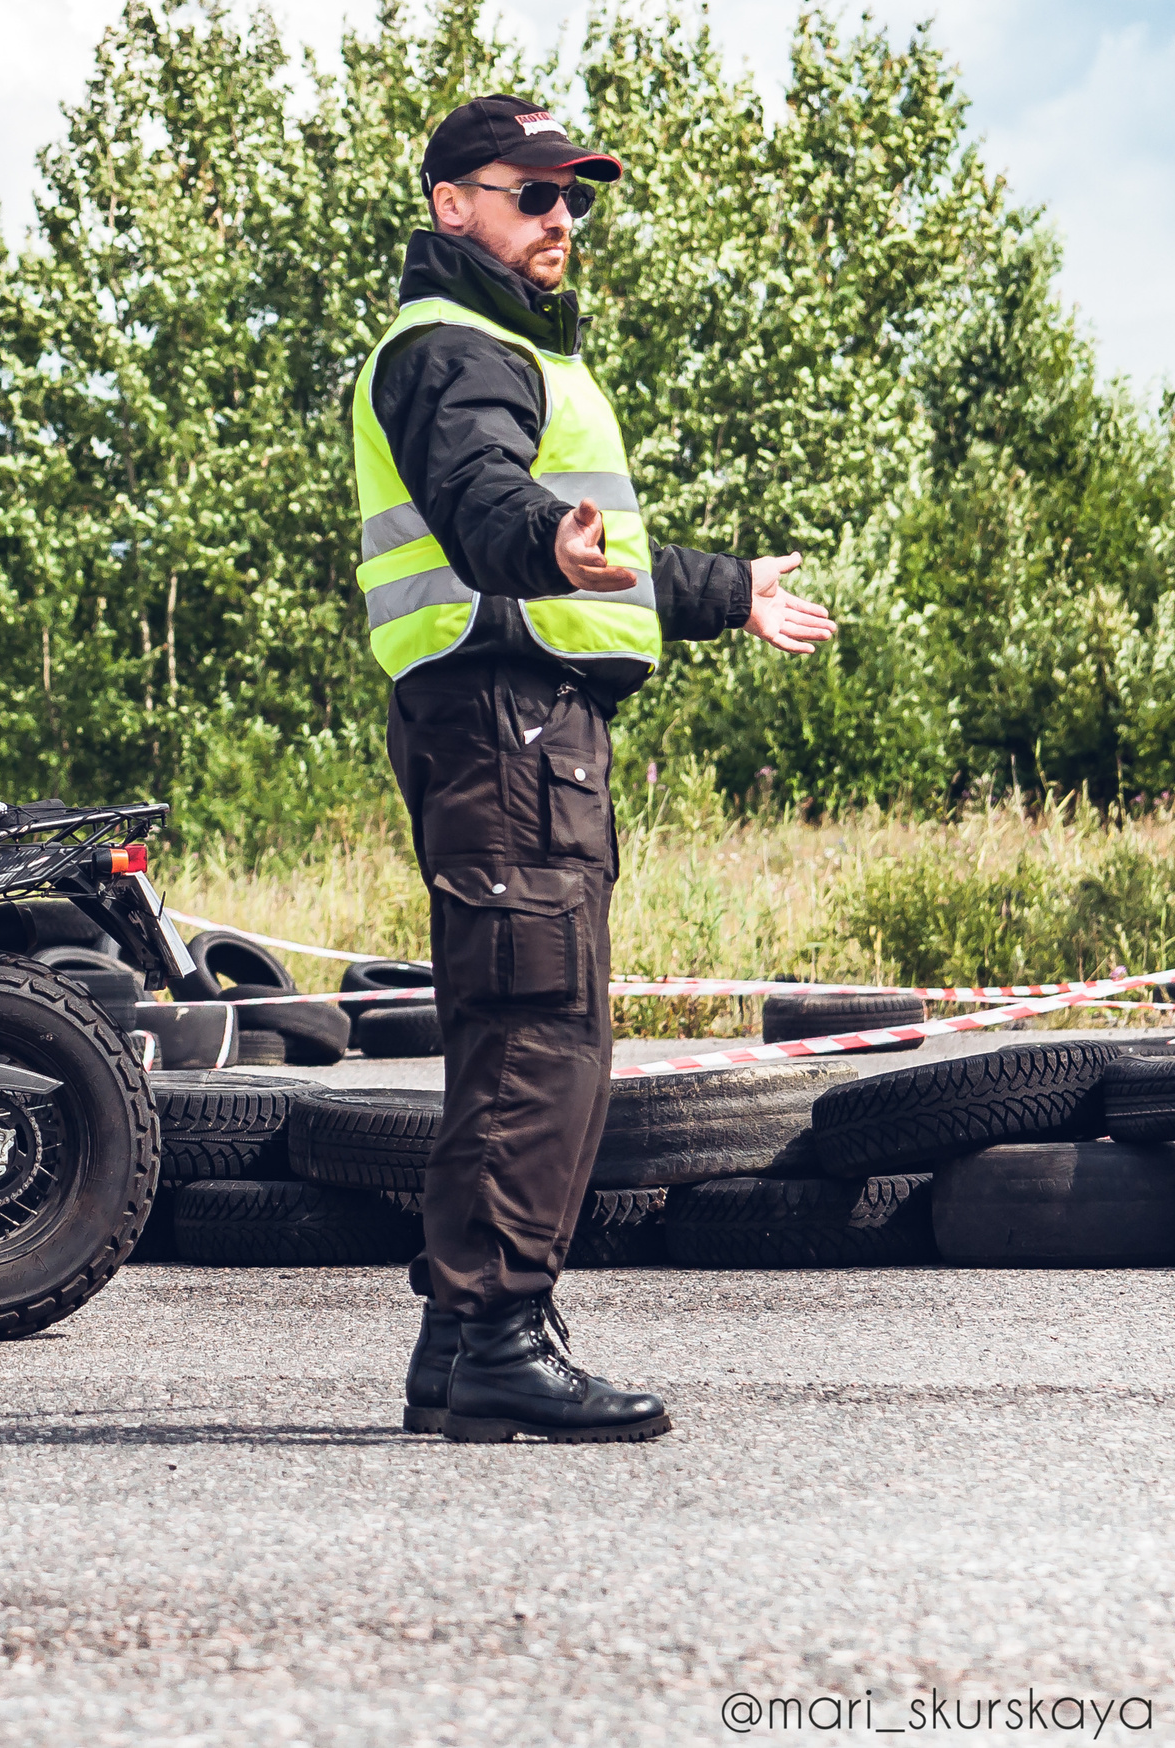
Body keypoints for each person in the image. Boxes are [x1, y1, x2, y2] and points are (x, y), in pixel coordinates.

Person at [352, 96, 836, 1442]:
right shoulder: (453, 348)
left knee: (522, 1027)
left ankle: (464, 1343)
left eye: (577, 198)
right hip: (504, 716)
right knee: (537, 1032)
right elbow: (490, 505)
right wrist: (537, 543)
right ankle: (498, 1331)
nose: (561, 218)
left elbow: (594, 559)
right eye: (533, 193)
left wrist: (724, 587)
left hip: (517, 717)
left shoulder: (507, 348)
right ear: (453, 202)